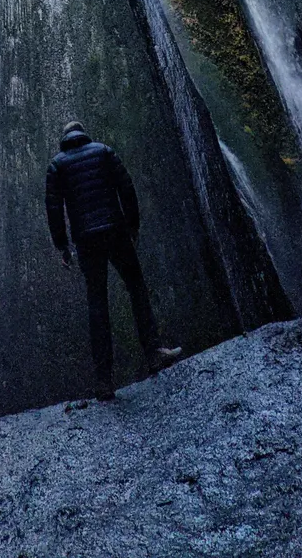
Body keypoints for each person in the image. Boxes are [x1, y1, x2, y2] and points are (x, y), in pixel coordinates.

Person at [45, 120, 181, 401]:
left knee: (98, 306)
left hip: (86, 240)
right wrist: (133, 226)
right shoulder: (104, 151)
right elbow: (126, 187)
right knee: (137, 289)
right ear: (84, 134)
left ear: (64, 139)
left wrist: (62, 246)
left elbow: (54, 208)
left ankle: (104, 381)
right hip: (116, 231)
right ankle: (154, 352)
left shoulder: (57, 166)